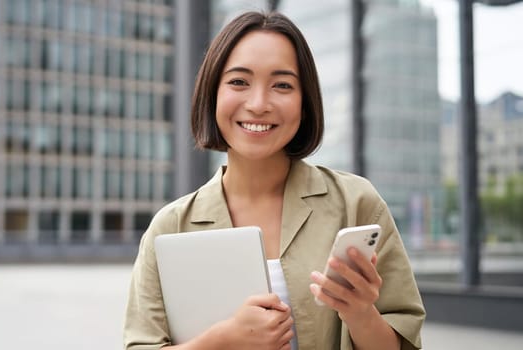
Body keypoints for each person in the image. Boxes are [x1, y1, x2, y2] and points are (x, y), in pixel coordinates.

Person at [124, 11, 425, 350]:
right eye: (239, 81)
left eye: (282, 85)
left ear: (304, 101)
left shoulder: (355, 203)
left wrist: (360, 313)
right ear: (213, 93)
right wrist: (224, 340)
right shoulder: (170, 227)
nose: (258, 104)